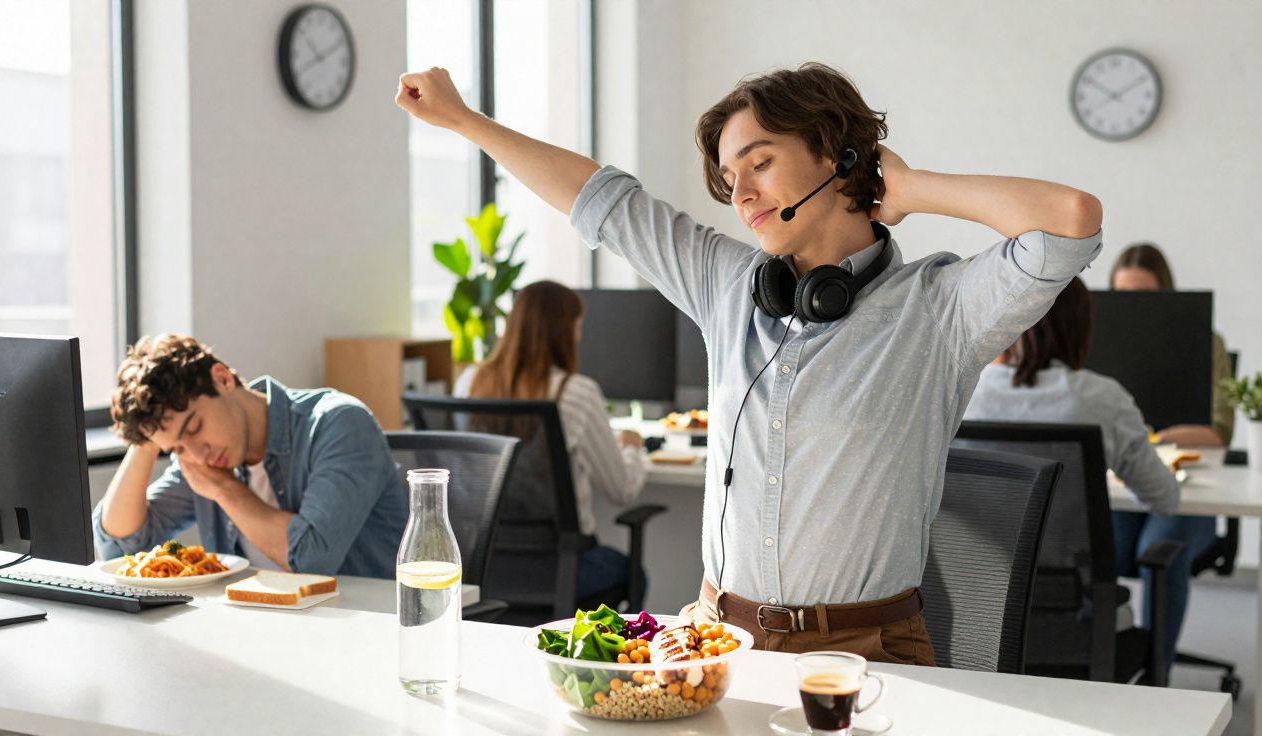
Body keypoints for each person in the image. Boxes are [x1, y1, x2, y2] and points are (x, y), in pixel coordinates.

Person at [397, 62, 1103, 662]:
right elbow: (601, 201)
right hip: (713, 637)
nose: (740, 194)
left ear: (835, 156)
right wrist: (464, 121)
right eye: (731, 176)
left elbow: (1071, 219)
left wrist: (911, 189)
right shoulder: (730, 285)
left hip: (866, 651)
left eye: (760, 162)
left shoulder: (941, 308)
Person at [963, 278, 1201, 677]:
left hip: (978, 623)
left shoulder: (964, 392)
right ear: (1081, 326)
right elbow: (1164, 499)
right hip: (1081, 628)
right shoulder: (1102, 399)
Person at [94, 334, 407, 577]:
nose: (197, 456)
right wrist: (148, 435)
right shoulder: (200, 457)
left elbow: (311, 558)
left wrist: (224, 489)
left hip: (360, 631)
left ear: (223, 379)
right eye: (176, 448)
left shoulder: (339, 424)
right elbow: (121, 544)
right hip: (256, 636)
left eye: (194, 427)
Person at [453, 280, 648, 604]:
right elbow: (622, 490)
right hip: (563, 568)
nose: (579, 335)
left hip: (484, 566)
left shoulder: (468, 382)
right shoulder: (576, 392)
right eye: (577, 326)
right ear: (562, 330)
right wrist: (630, 447)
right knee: (632, 573)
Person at [1110, 242, 1234, 447]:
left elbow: (1220, 433)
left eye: (1145, 295)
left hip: (1188, 461)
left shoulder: (1209, 343)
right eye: (1121, 295)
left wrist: (1155, 441)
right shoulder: (1094, 343)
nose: (1133, 306)